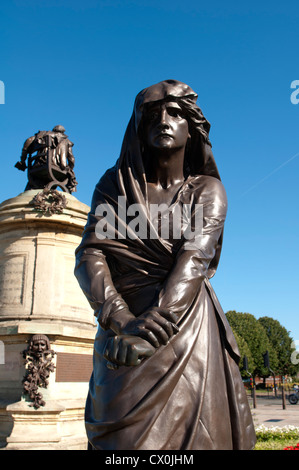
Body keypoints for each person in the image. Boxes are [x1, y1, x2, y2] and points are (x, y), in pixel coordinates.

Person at [74, 79, 256, 450]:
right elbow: (90, 254)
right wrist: (121, 319)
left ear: (191, 128)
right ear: (139, 127)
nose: (164, 119)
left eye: (175, 112)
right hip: (120, 332)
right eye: (152, 114)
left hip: (184, 329)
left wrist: (150, 329)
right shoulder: (114, 185)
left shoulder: (207, 190)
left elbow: (194, 259)